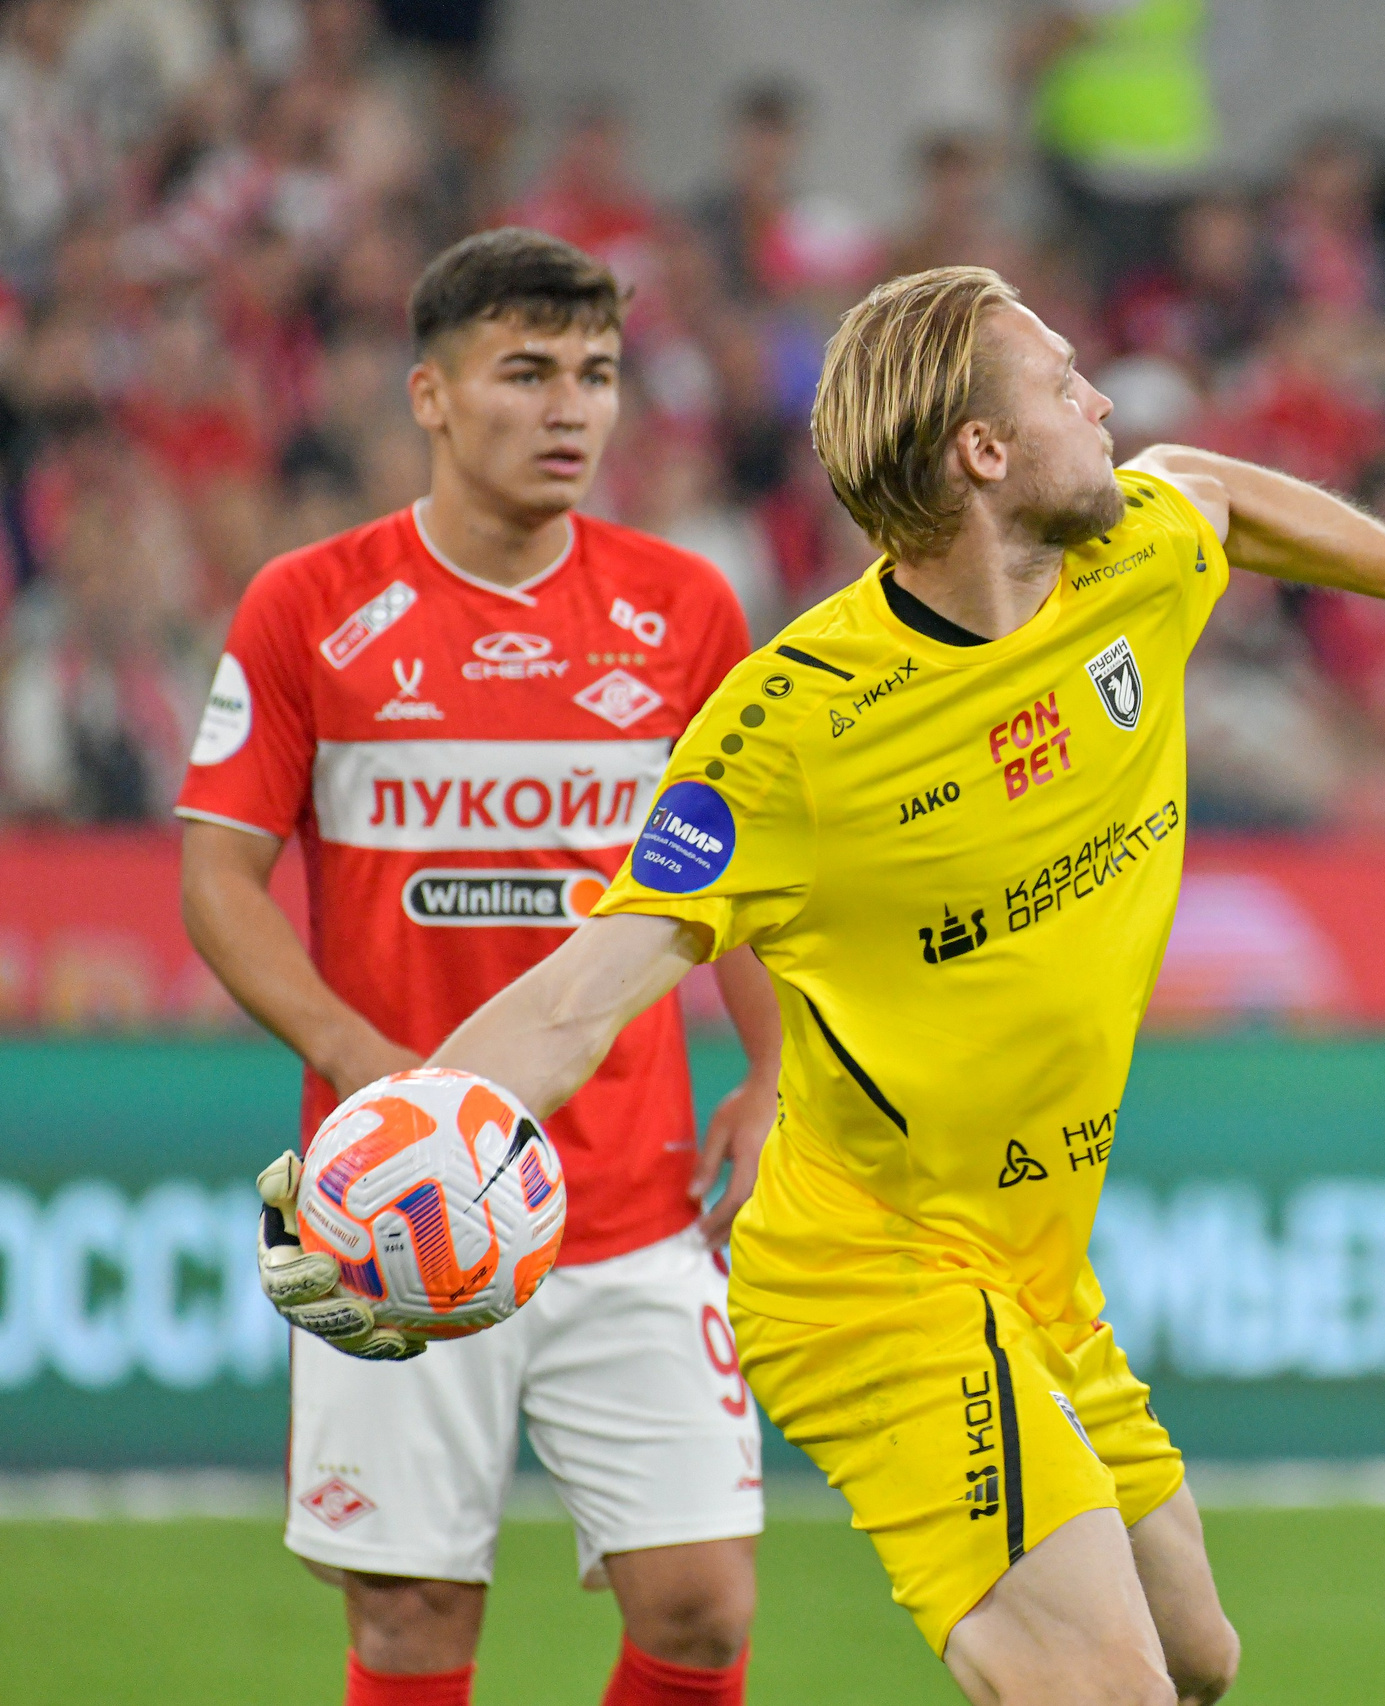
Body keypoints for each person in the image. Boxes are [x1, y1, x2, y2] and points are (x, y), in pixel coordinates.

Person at [344, 264, 1385, 1706]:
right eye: (1065, 382)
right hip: (873, 1277)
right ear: (984, 451)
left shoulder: (1130, 561)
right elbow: (585, 988)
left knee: (1192, 1658)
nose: (1102, 401)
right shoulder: (788, 727)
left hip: (1037, 1266)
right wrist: (383, 1154)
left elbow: (1217, 493)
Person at [179, 229, 777, 1706]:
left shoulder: (686, 608)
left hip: (631, 1199)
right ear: (431, 396)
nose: (571, 408)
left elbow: (745, 885)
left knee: (702, 1607)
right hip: (379, 1212)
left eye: (598, 374)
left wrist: (772, 1073)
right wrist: (366, 1066)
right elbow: (217, 879)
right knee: (409, 1619)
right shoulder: (307, 604)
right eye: (527, 372)